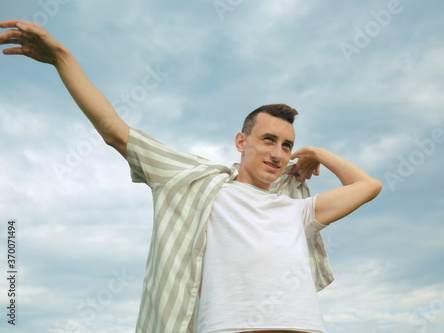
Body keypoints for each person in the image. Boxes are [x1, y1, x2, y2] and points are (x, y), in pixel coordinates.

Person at [0, 20, 382, 333]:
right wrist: (62, 58)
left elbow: (368, 187)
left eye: (287, 145)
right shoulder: (197, 185)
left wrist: (317, 153)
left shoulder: (296, 211)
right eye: (269, 140)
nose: (279, 153)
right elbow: (115, 131)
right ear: (241, 141)